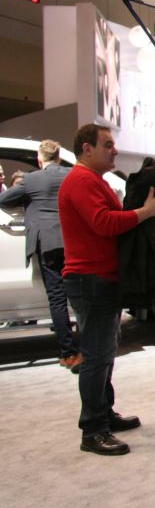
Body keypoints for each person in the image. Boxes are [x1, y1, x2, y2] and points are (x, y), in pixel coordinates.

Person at [58, 124, 155, 455]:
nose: (114, 150)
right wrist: (145, 212)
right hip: (91, 278)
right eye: (108, 145)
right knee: (96, 355)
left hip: (98, 277)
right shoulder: (81, 181)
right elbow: (103, 223)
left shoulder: (92, 181)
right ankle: (93, 430)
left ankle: (103, 414)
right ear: (86, 149)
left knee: (103, 352)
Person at [0, 140, 80, 371]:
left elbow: (4, 200)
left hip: (47, 243)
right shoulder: (71, 175)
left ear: (39, 159)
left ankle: (69, 353)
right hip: (73, 241)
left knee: (56, 298)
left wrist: (29, 201)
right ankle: (88, 347)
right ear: (58, 156)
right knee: (79, 296)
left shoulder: (31, 180)